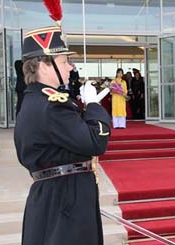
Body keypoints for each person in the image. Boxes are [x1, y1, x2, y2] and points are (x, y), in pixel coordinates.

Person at [14, 26, 110, 245]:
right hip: (66, 200)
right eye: (64, 61)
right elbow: (95, 142)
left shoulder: (32, 101)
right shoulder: (53, 105)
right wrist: (94, 106)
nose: (71, 66)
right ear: (43, 65)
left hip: (52, 196)